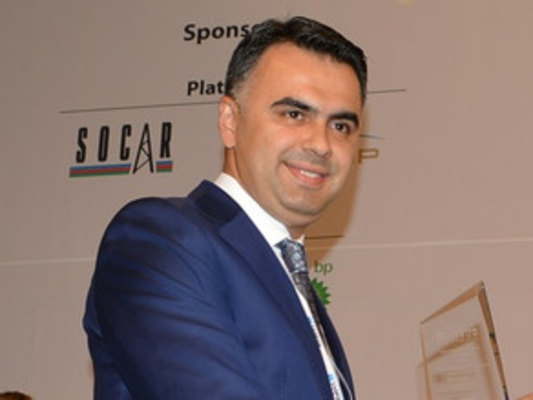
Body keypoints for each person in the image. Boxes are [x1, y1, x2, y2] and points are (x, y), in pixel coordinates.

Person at [83, 15, 366, 399]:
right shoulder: (158, 241)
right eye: (294, 114)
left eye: (341, 126)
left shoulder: (289, 276)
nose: (321, 144)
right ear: (229, 121)